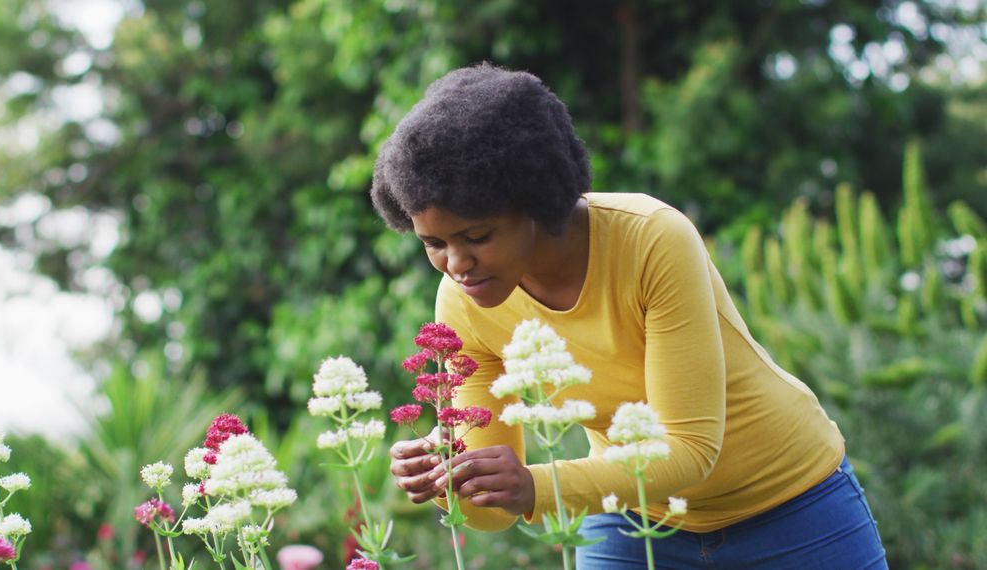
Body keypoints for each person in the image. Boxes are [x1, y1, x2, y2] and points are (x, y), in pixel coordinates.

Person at [371, 63, 887, 569]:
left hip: (792, 508)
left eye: (477, 237)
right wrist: (450, 482)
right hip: (628, 511)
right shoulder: (462, 302)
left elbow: (688, 448)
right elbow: (496, 517)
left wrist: (535, 485)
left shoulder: (651, 239)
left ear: (536, 199)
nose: (456, 264)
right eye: (433, 244)